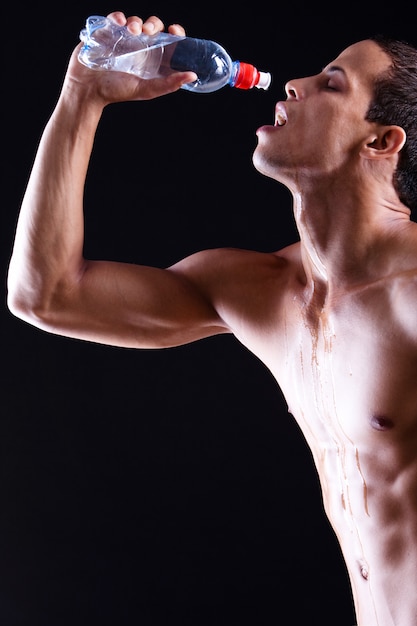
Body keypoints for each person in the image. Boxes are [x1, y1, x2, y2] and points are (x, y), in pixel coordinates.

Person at [7, 10, 417, 626]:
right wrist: (83, 93)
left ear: (381, 141)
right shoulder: (259, 291)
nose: (295, 86)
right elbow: (45, 295)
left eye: (333, 84)